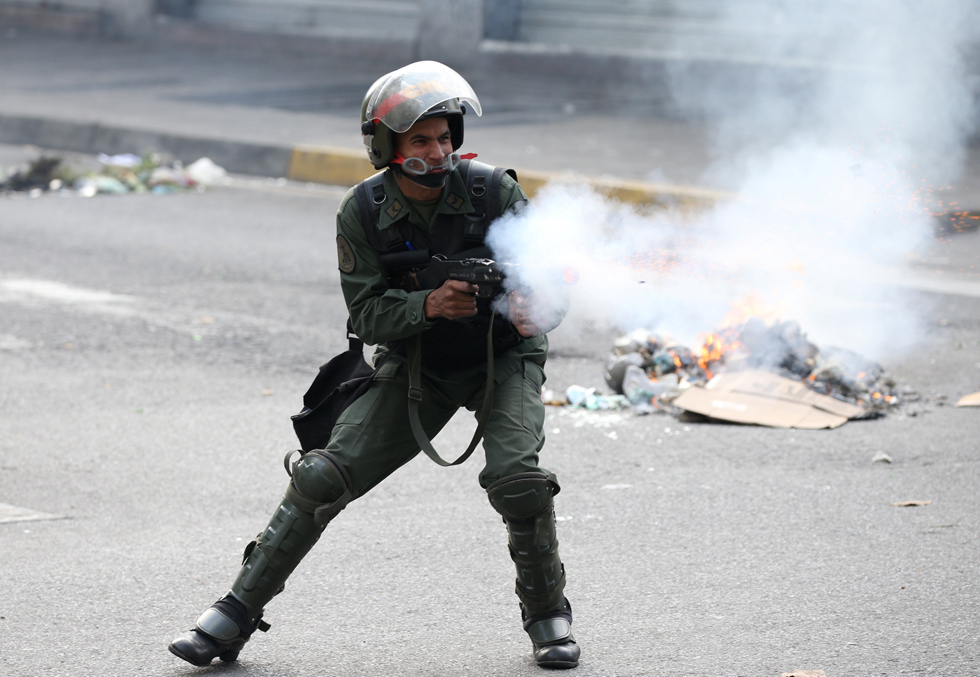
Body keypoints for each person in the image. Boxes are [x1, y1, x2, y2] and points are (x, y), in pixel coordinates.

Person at [168, 60, 580, 670]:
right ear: (387, 147)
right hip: (419, 365)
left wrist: (538, 308)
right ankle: (232, 617)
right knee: (321, 478)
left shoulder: (495, 191)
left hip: (503, 358)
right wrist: (429, 305)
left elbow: (554, 279)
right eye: (421, 140)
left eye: (445, 137)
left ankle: (548, 617)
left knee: (518, 480)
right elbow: (365, 315)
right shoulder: (362, 212)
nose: (437, 151)